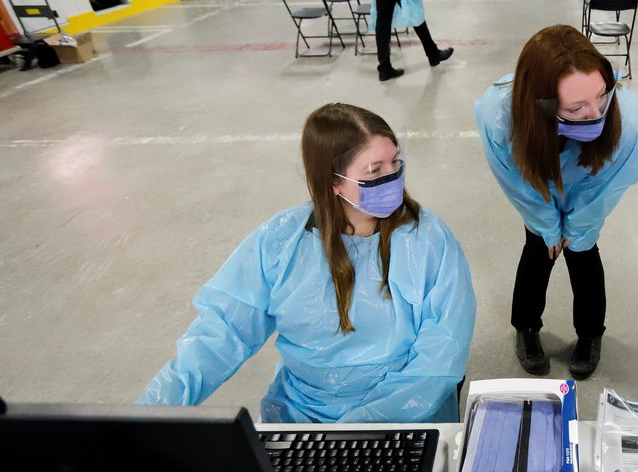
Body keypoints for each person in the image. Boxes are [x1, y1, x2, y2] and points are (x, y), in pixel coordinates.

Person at [138, 103, 476, 423]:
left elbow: (441, 353)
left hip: (405, 416)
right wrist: (146, 417)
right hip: (302, 416)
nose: (393, 177)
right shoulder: (280, 243)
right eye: (375, 170)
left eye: (395, 162)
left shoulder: (427, 239)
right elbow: (222, 332)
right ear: (333, 182)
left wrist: (361, 428)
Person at [474, 25, 638, 381]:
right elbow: (517, 182)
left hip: (588, 192)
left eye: (601, 95)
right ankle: (525, 328)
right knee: (538, 249)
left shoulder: (631, 121)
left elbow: (608, 186)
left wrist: (577, 226)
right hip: (538, 189)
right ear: (541, 103)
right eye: (577, 107)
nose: (596, 113)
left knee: (583, 254)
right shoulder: (499, 116)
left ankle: (590, 335)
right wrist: (546, 226)